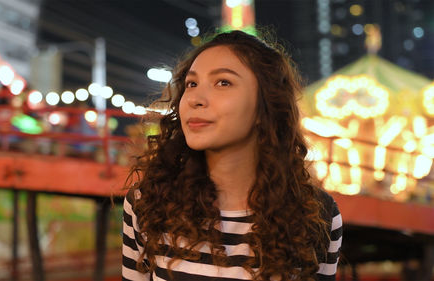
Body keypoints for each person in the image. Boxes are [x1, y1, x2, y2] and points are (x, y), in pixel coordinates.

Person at [122, 30, 342, 281]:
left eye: (223, 82)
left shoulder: (317, 215)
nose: (195, 98)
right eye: (191, 84)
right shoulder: (148, 203)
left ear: (264, 106)